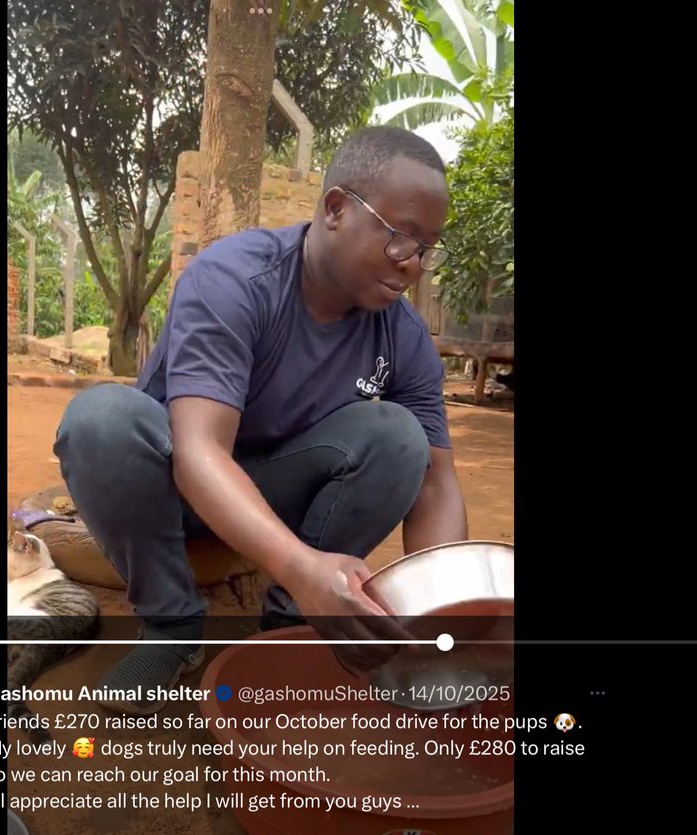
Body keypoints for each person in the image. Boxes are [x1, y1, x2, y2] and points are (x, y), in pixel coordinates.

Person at [54, 125, 468, 714]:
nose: (414, 266)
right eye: (401, 238)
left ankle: (287, 629)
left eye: (427, 248)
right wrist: (300, 565)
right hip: (171, 491)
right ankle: (172, 626)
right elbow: (199, 453)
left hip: (274, 500)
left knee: (400, 439)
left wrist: (449, 611)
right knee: (100, 420)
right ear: (335, 209)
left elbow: (436, 484)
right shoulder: (234, 281)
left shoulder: (402, 336)